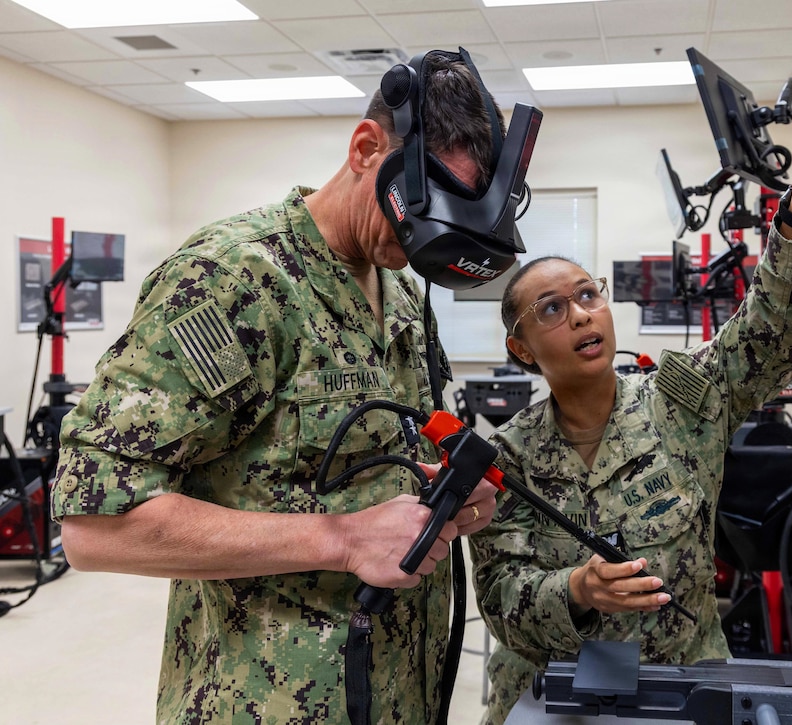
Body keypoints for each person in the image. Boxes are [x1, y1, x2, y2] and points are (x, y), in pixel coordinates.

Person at [50, 51, 500, 725]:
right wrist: (342, 538)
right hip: (264, 702)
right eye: (424, 207)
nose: (424, 240)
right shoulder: (232, 280)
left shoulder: (405, 294)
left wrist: (447, 491)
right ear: (365, 148)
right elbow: (94, 526)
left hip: (398, 694)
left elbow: (405, 444)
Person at [469, 75, 792, 724]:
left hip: (681, 690)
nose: (582, 316)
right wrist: (579, 588)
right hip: (553, 697)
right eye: (553, 309)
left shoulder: (681, 398)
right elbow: (505, 601)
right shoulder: (507, 457)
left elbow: (774, 328)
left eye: (588, 295)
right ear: (522, 349)